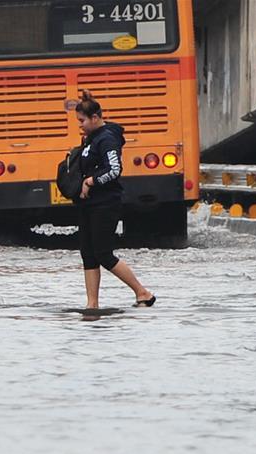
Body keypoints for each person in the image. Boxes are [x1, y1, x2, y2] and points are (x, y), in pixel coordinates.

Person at [74, 90, 155, 308]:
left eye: (82, 121)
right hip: (88, 204)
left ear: (95, 118)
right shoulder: (91, 138)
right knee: (88, 254)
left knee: (103, 254)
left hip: (105, 203)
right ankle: (92, 304)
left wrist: (91, 181)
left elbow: (114, 169)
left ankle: (142, 292)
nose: (80, 125)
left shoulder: (107, 138)